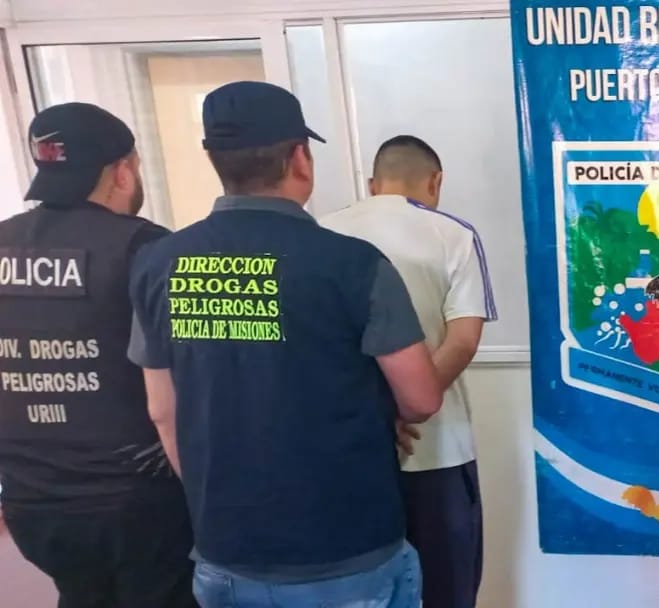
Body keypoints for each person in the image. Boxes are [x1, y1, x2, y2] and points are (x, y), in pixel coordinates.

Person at [127, 82, 443, 608]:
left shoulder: (158, 264)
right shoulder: (354, 264)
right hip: (345, 547)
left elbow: (162, 410)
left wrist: (216, 505)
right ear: (300, 158)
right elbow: (422, 399)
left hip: (226, 550)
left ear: (215, 159)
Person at [0, 103, 196, 607]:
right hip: (137, 502)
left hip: (32, 502)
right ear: (123, 171)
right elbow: (189, 379)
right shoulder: (144, 248)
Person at [321, 135, 497, 608]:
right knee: (448, 589)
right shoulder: (454, 235)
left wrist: (377, 417)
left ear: (372, 184)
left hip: (348, 453)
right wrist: (408, 405)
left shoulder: (321, 232)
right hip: (437, 449)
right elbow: (463, 340)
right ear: (435, 182)